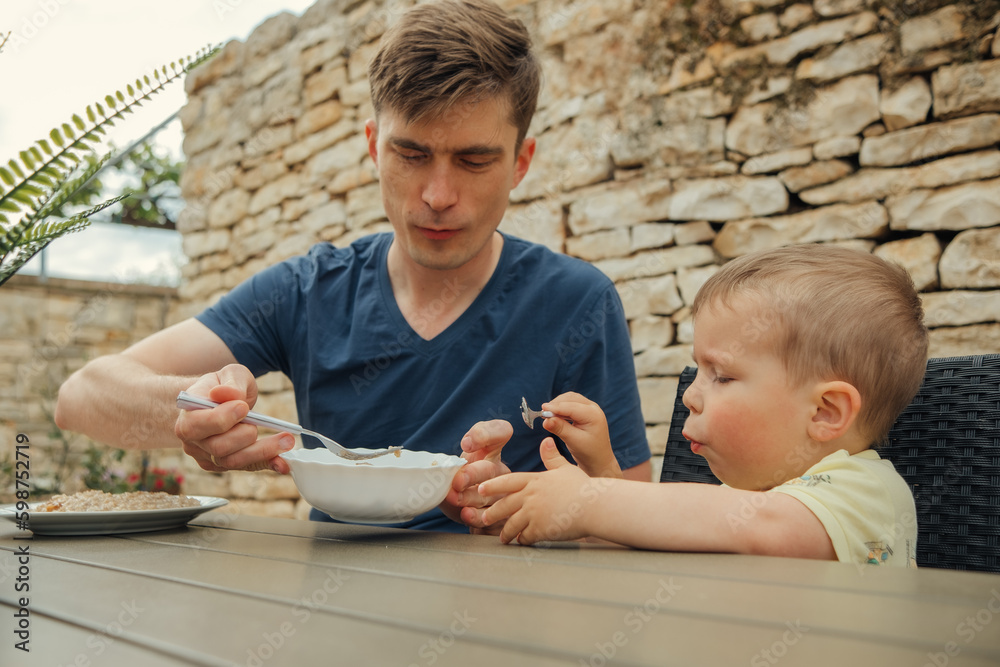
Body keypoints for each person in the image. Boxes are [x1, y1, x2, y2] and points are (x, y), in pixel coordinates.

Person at [54, 0, 651, 533]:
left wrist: (524, 505)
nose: (439, 195)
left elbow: (633, 512)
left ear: (520, 163)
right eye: (411, 154)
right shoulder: (307, 292)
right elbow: (80, 397)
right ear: (373, 146)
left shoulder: (576, 302)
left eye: (473, 160)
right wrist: (192, 407)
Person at [479, 244, 927, 566]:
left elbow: (761, 529)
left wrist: (593, 499)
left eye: (723, 376)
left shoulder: (864, 494)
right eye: (698, 371)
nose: (690, 395)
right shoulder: (748, 494)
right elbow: (643, 549)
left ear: (825, 412)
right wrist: (597, 473)